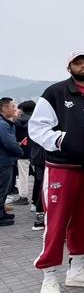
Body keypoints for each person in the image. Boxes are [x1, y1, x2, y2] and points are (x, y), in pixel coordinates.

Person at [29, 52, 84, 293]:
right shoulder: (55, 92)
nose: (83, 65)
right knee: (57, 221)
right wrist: (61, 140)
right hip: (62, 167)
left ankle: (77, 269)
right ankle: (49, 276)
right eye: (77, 63)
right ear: (69, 67)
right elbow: (37, 127)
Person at [0, 97, 22, 227]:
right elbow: (10, 144)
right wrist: (19, 151)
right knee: (2, 189)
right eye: (13, 106)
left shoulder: (6, 123)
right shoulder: (3, 125)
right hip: (4, 162)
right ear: (4, 108)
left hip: (5, 161)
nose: (15, 109)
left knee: (5, 188)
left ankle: (2, 212)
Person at [12, 100, 35, 206]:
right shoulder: (36, 120)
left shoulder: (18, 122)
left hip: (23, 152)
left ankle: (23, 196)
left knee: (23, 175)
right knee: (38, 177)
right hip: (35, 152)